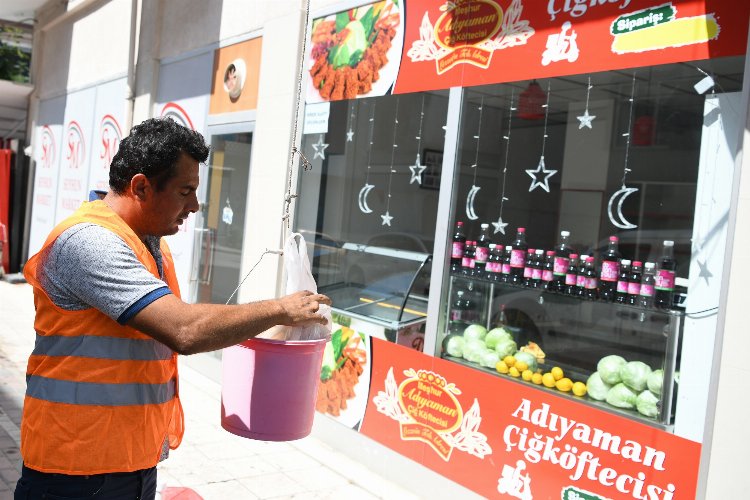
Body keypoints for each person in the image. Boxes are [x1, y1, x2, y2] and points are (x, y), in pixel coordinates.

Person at [14, 117, 331, 499]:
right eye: (185, 191)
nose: (195, 206)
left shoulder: (149, 244)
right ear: (141, 187)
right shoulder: (89, 243)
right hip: (75, 471)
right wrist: (280, 309)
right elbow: (185, 330)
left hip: (128, 461)